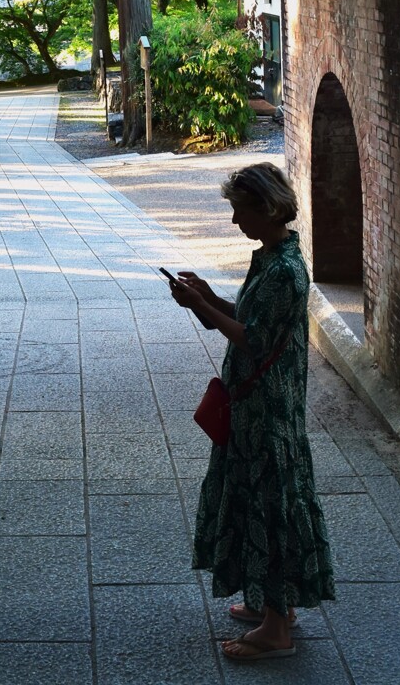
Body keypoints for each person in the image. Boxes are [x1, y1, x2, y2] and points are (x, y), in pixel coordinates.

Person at [167, 162, 335, 662]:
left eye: (240, 211)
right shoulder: (273, 256)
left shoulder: (284, 270)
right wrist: (207, 296)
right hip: (256, 407)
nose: (236, 221)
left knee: (271, 505)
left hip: (268, 412)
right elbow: (250, 317)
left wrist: (197, 308)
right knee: (261, 500)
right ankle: (274, 605)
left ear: (265, 208)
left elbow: (254, 340)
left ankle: (277, 627)